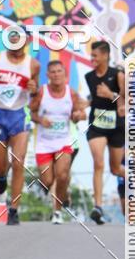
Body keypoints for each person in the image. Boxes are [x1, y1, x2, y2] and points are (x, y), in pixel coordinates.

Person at [0, 27, 39, 225]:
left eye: (20, 39)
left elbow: (35, 91)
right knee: (0, 166)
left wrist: (34, 89)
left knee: (19, 162)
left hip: (20, 114)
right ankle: (1, 179)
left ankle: (14, 210)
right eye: (12, 38)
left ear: (27, 41)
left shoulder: (33, 64)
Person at [30, 60, 86, 223]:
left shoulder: (72, 93)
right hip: (44, 144)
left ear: (65, 75)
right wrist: (40, 120)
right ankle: (63, 193)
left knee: (62, 175)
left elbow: (82, 114)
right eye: (52, 72)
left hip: (63, 142)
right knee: (47, 181)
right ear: (47, 75)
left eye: (59, 71)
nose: (56, 75)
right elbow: (32, 112)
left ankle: (57, 212)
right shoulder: (42, 92)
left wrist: (77, 116)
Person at [84, 39, 125, 224]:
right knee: (98, 163)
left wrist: (112, 95)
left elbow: (127, 100)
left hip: (116, 126)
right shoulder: (89, 77)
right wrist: (82, 105)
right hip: (97, 124)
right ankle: (98, 207)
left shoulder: (118, 75)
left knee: (116, 168)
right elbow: (93, 99)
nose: (92, 58)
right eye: (91, 55)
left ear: (105, 56)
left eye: (95, 55)